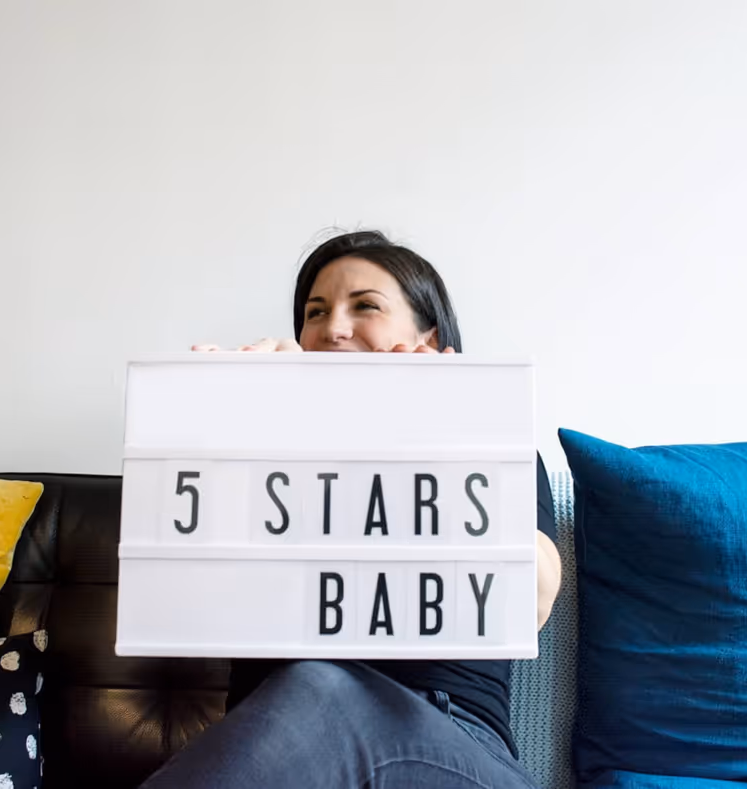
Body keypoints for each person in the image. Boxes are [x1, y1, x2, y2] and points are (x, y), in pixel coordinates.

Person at [141, 230, 562, 789]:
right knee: (310, 688)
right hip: (284, 749)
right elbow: (178, 597)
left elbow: (529, 600)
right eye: (315, 312)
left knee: (320, 686)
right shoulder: (264, 452)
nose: (333, 328)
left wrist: (430, 430)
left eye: (365, 306)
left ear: (427, 337)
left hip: (453, 742)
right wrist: (217, 427)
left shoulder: (490, 445)